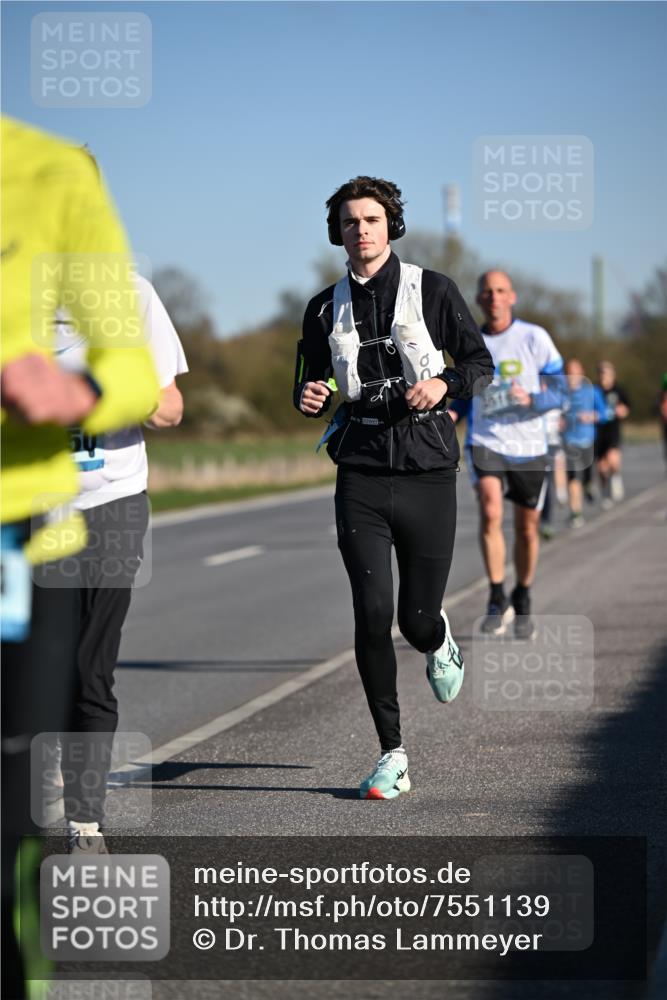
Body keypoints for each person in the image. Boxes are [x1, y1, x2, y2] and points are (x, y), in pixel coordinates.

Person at [1, 115, 159, 1000]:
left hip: (72, 511)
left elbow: (150, 385)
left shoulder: (116, 278)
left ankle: (86, 818)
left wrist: (85, 391)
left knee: (79, 683)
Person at [293, 176, 493, 800]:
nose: (361, 230)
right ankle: (392, 753)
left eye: (372, 219)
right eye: (351, 222)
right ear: (339, 232)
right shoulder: (323, 307)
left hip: (427, 465)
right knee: (372, 611)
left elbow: (479, 367)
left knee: (414, 619)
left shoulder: (433, 290)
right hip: (360, 469)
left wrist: (446, 384)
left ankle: (439, 639)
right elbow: (306, 382)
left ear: (390, 225)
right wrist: (309, 397)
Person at [53, 274, 188, 853]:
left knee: (89, 668)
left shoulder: (130, 294)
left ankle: (84, 822)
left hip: (110, 507)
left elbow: (171, 410)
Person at [449, 270, 565, 640]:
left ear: (511, 297)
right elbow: (465, 395)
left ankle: (523, 593)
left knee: (527, 529)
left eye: (500, 291)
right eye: (487, 292)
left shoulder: (534, 337)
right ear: (479, 299)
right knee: (490, 509)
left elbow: (561, 390)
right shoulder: (471, 342)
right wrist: (451, 415)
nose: (494, 297)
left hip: (529, 445)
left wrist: (534, 400)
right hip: (487, 440)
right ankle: (497, 595)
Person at [561, 359, 607, 528]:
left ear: (582, 373)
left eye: (575, 372)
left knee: (586, 476)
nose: (572, 376)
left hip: (588, 439)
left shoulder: (592, 391)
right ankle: (576, 514)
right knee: (573, 478)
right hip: (569, 441)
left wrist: (592, 416)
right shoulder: (562, 393)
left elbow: (604, 413)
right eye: (569, 372)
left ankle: (589, 485)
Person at [594, 361, 630, 508]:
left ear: (612, 375)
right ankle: (605, 493)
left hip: (613, 430)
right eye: (602, 373)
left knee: (613, 460)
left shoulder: (619, 390)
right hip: (599, 432)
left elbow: (627, 408)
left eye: (607, 373)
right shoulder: (595, 391)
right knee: (602, 467)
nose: (604, 376)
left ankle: (616, 477)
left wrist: (622, 411)